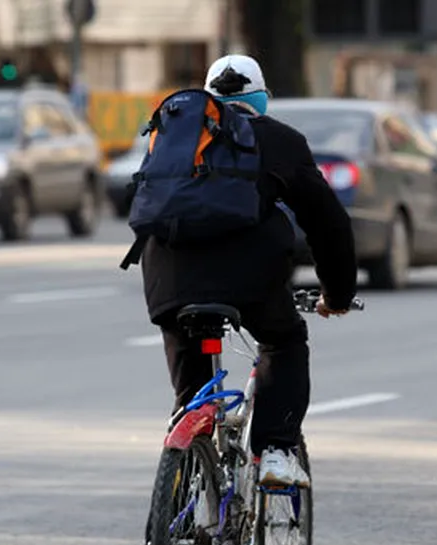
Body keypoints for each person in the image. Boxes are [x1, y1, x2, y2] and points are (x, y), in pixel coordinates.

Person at [134, 54, 358, 488]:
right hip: (251, 280)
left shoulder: (172, 134)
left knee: (191, 392)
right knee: (283, 340)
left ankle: (182, 465)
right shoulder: (281, 140)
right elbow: (329, 224)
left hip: (169, 277)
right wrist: (338, 295)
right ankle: (275, 449)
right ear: (261, 98)